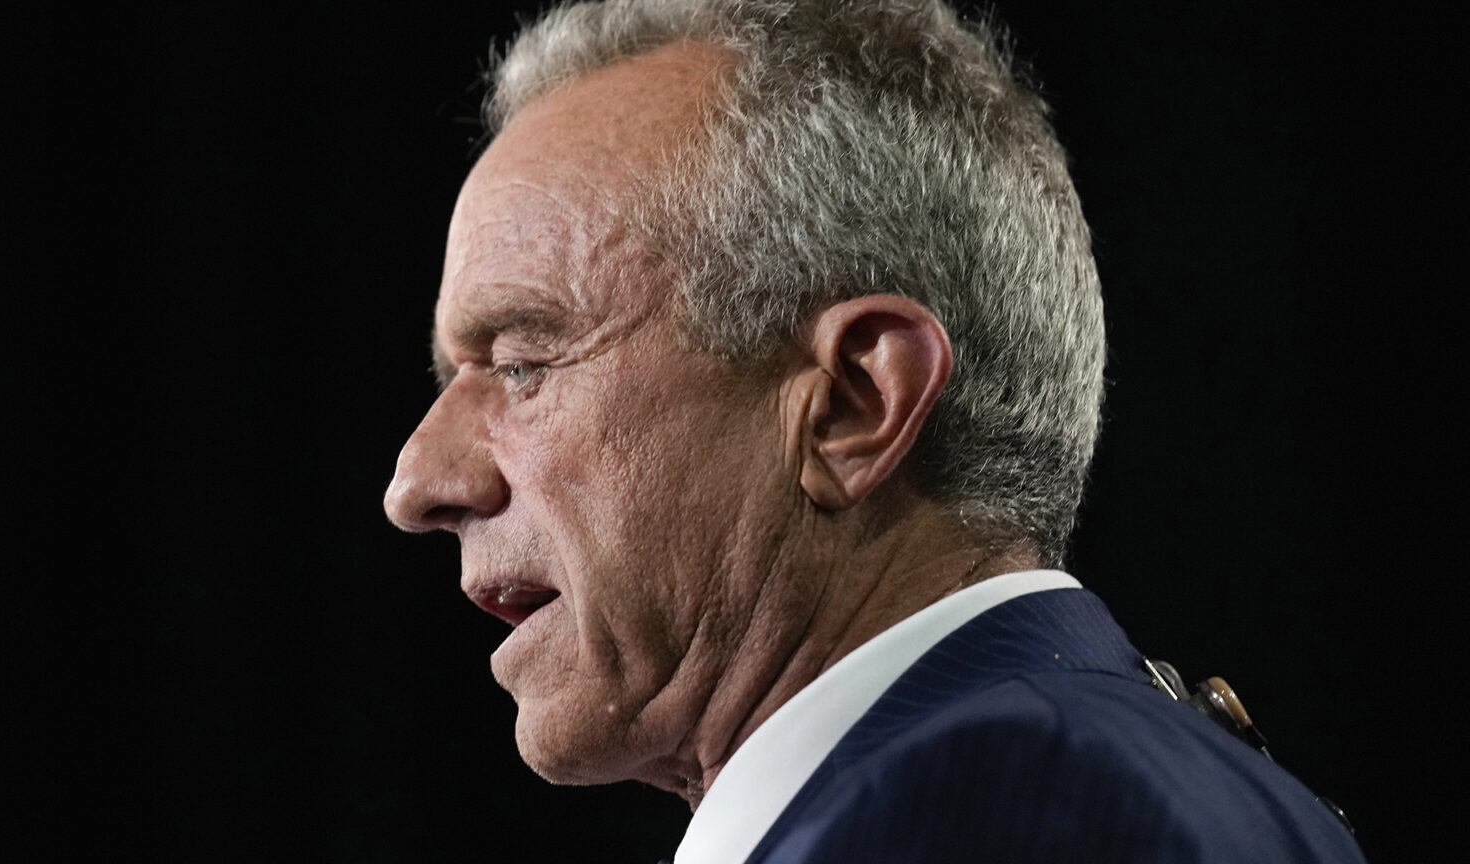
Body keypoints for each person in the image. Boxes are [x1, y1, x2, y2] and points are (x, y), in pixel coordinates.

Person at [383, 1, 1366, 861]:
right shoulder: (1144, 770)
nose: (418, 483)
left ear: (853, 403)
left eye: (522, 363)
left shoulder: (999, 811)